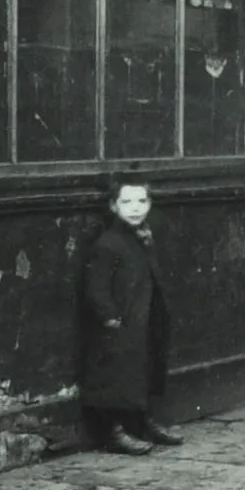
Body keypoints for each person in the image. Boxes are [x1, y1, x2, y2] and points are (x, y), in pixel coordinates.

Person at [76, 179, 180, 453]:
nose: (135, 208)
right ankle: (114, 432)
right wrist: (109, 316)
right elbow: (96, 286)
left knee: (142, 370)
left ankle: (142, 422)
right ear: (113, 206)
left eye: (141, 202)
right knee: (114, 377)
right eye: (126, 202)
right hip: (119, 322)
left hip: (142, 316)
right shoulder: (108, 243)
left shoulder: (142, 238)